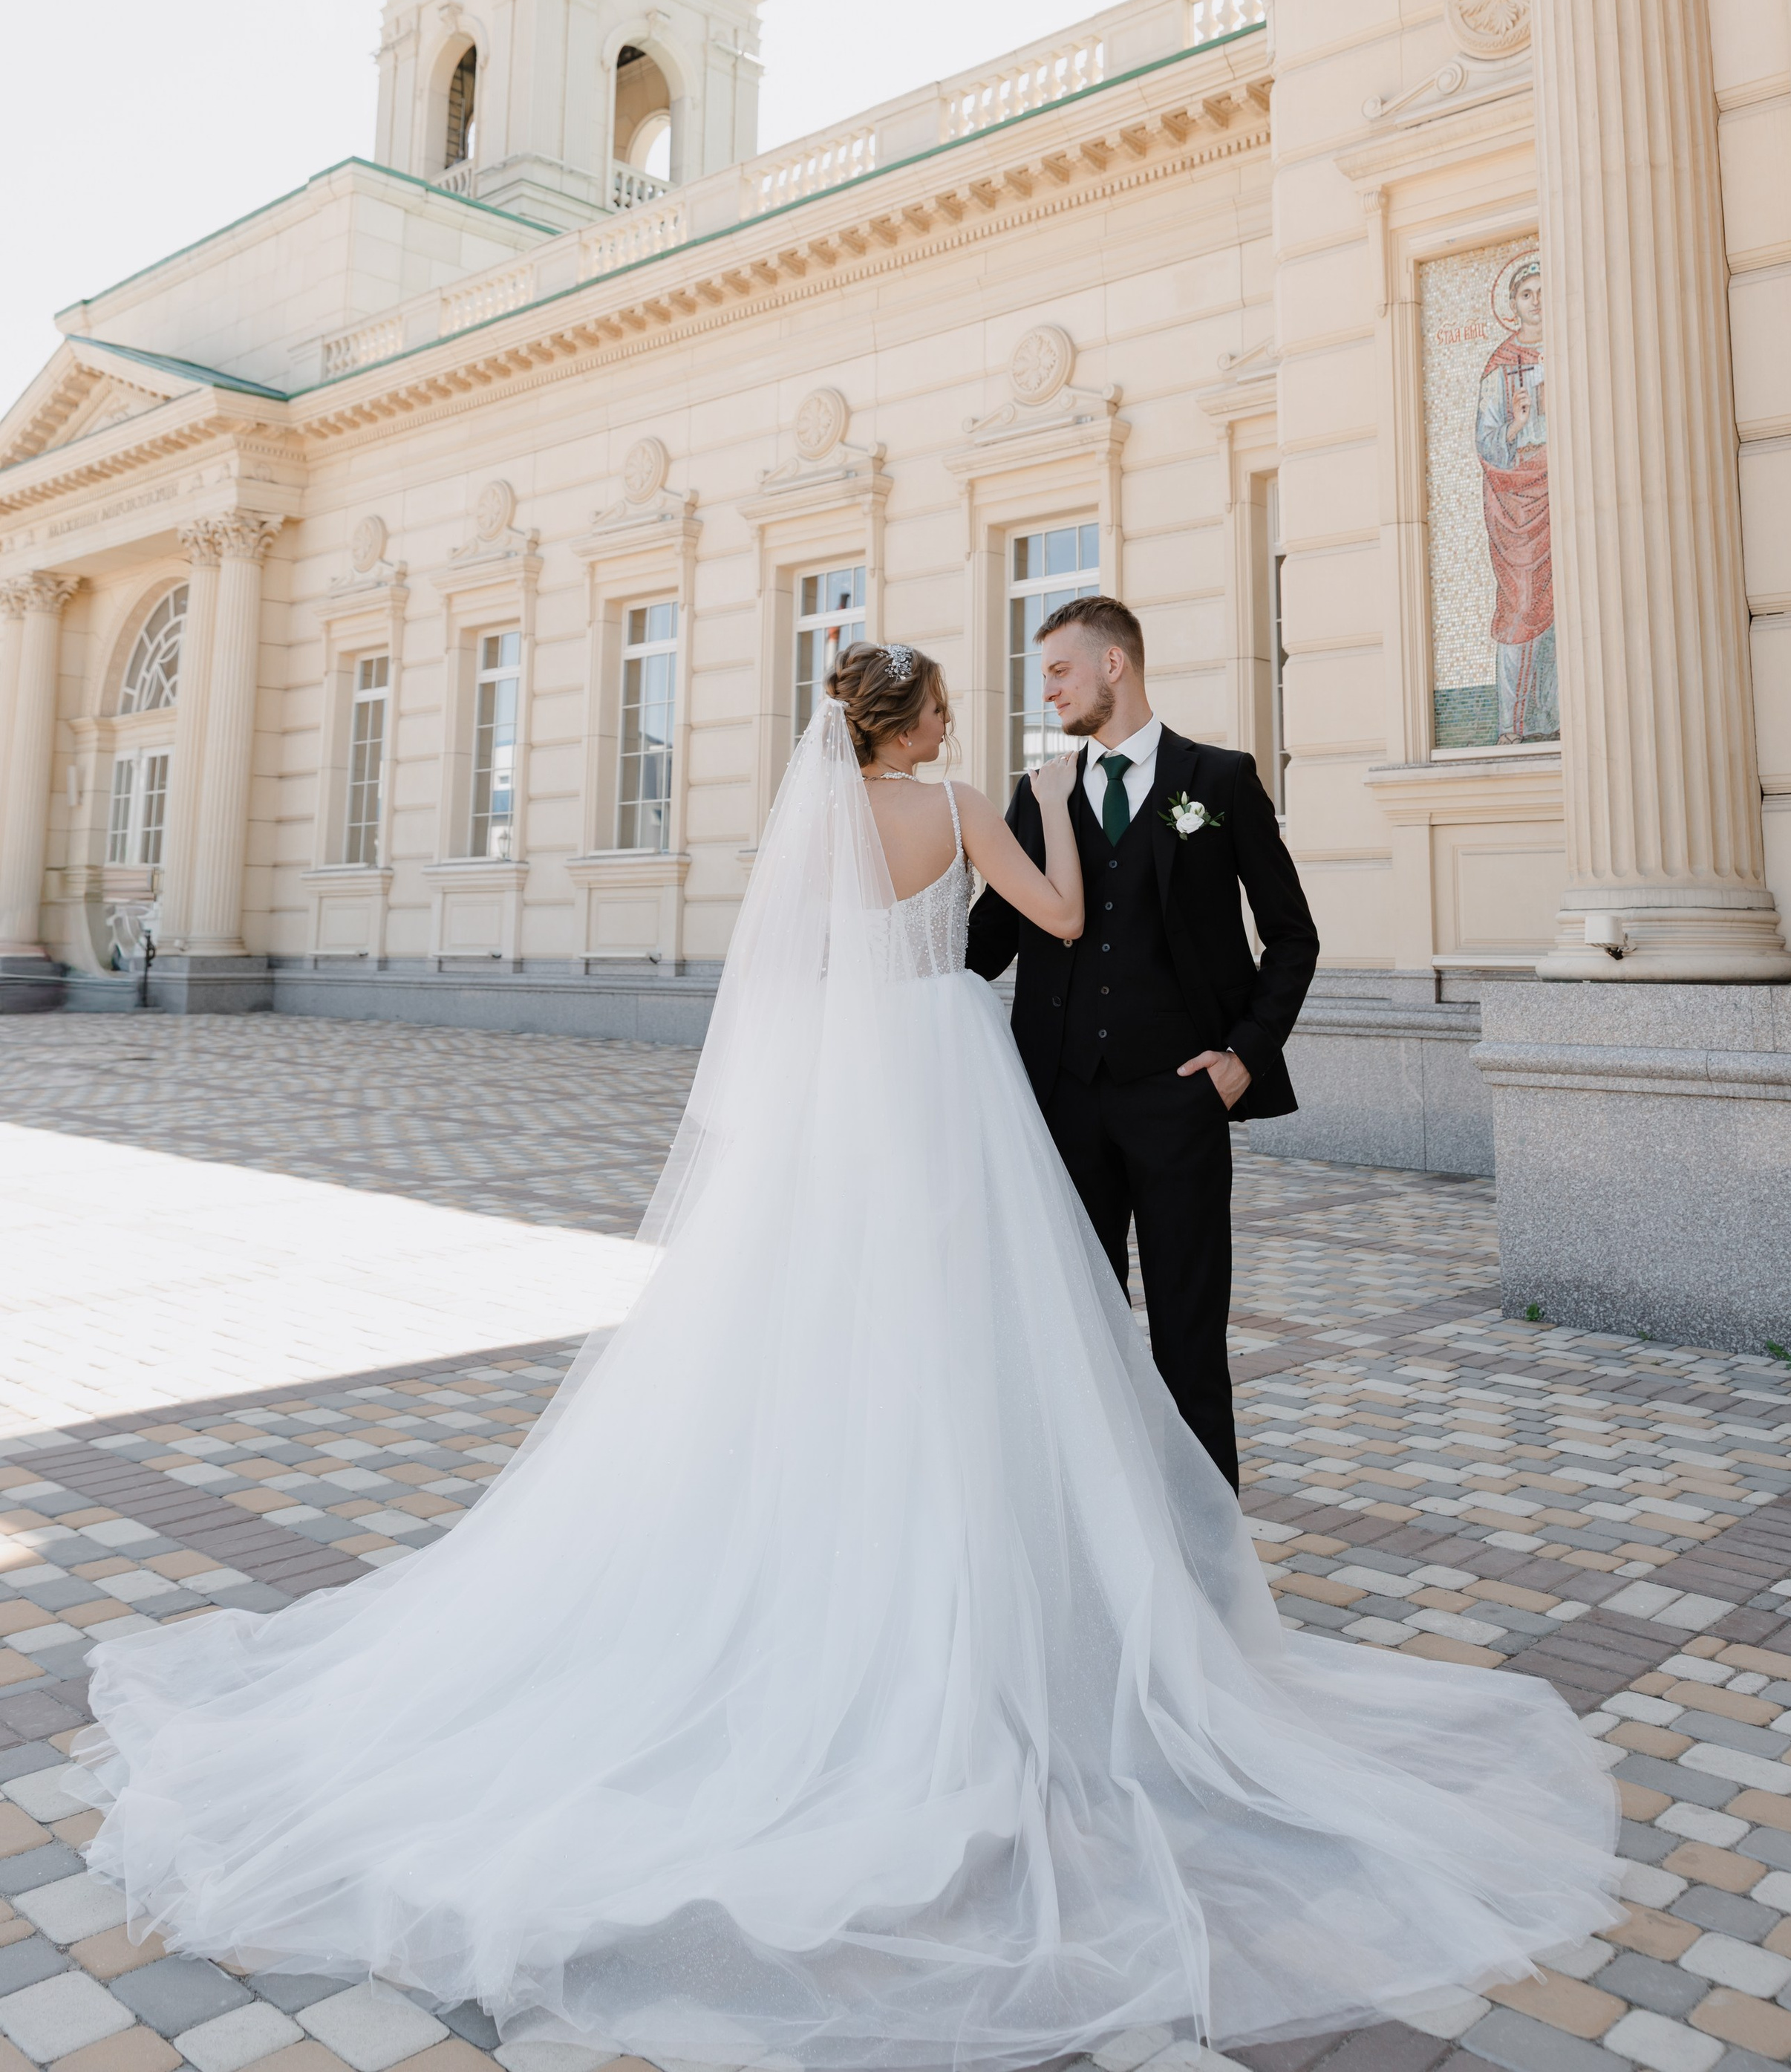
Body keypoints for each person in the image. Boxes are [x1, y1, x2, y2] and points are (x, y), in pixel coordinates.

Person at [75, 647, 1618, 2072]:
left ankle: (808, 1570)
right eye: (940, 702)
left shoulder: (810, 824)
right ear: (916, 723)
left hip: (839, 1093)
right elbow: (1058, 925)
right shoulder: (957, 804)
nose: (952, 719)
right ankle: (986, 1588)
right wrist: (1063, 814)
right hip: (942, 1070)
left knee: (814, 1326)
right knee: (972, 1325)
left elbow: (788, 983)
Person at [966, 596, 1317, 1488]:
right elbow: (984, 946)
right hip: (1062, 1102)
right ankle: (1097, 1552)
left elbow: (1291, 936)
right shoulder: (1036, 795)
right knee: (1073, 1339)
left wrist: (1244, 1054)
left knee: (1189, 1341)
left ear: (1112, 665)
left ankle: (1206, 1576)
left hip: (1181, 1100)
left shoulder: (1220, 780)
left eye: (1057, 671)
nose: (1044, 690)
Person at [1475, 253, 1557, 744]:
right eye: (1527, 294)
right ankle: (1512, 729)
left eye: (1545, 292)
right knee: (1523, 606)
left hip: (1567, 484)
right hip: (1518, 499)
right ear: (1513, 304)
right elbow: (1487, 441)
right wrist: (1517, 423)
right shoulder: (1500, 367)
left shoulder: (1571, 349)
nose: (1536, 302)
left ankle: (1554, 719)